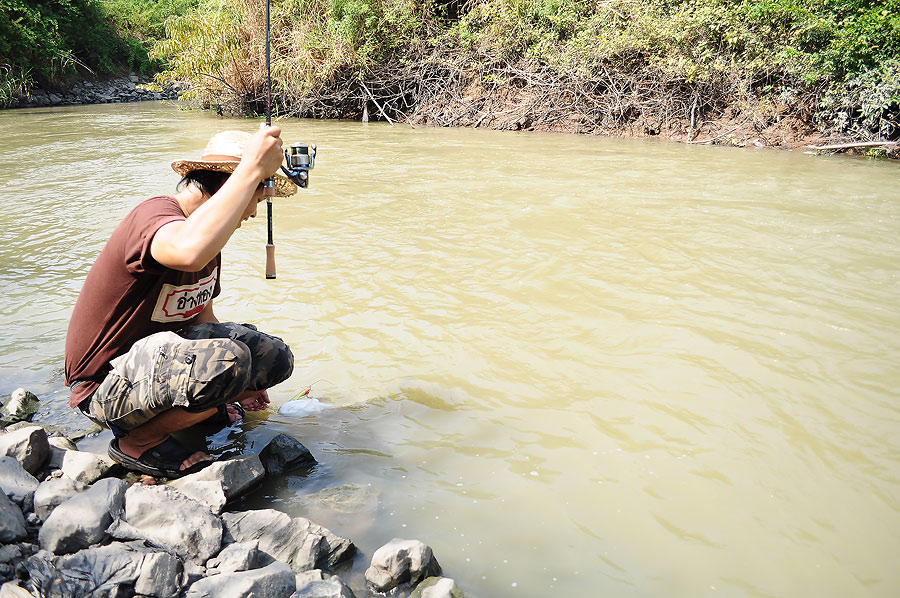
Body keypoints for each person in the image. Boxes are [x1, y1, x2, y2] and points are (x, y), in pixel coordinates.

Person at [64, 125, 296, 479]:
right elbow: (186, 251)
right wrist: (252, 168)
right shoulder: (156, 216)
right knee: (229, 362)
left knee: (272, 358)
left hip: (151, 372)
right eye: (254, 198)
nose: (250, 213)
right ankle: (138, 441)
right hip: (104, 388)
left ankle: (191, 411)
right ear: (228, 187)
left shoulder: (207, 242)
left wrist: (240, 387)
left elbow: (204, 320)